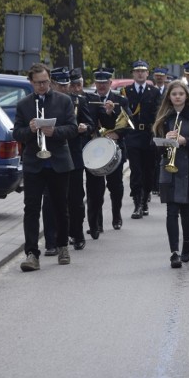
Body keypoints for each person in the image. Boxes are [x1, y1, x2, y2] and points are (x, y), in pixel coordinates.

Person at [13, 63, 78, 271]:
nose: (43, 86)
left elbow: (73, 128)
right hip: (34, 163)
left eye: (46, 82)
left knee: (60, 207)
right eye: (38, 83)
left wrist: (54, 132)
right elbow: (17, 133)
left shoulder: (63, 100)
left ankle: (62, 246)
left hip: (58, 161)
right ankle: (32, 253)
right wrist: (30, 130)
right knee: (31, 209)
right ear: (31, 83)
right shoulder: (23, 105)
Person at [152, 80, 189, 268]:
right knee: (171, 211)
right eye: (174, 94)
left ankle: (187, 244)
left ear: (186, 96)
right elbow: (155, 147)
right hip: (169, 168)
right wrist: (163, 140)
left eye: (180, 94)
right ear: (169, 97)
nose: (177, 97)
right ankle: (174, 251)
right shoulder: (164, 117)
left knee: (187, 211)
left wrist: (185, 141)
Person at [42, 67, 95, 253]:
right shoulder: (43, 103)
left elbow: (90, 124)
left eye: (67, 85)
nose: (65, 89)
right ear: (53, 84)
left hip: (73, 156)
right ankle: (51, 241)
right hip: (51, 156)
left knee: (75, 200)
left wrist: (84, 128)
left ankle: (77, 234)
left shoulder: (78, 101)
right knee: (50, 201)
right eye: (60, 85)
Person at [85, 68, 132, 238]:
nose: (102, 85)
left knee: (115, 186)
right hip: (95, 151)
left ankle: (116, 214)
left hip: (114, 150)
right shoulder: (89, 99)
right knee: (94, 189)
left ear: (110, 83)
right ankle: (96, 223)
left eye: (105, 83)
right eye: (98, 82)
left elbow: (128, 123)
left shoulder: (120, 100)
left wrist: (117, 131)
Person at [123, 60, 161, 219]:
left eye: (143, 71)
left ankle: (145, 198)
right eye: (137, 71)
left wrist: (156, 134)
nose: (140, 73)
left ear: (147, 73)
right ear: (133, 73)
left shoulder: (154, 91)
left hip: (148, 135)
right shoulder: (126, 91)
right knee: (136, 170)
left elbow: (159, 114)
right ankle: (137, 202)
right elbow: (123, 113)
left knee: (148, 170)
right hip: (133, 135)